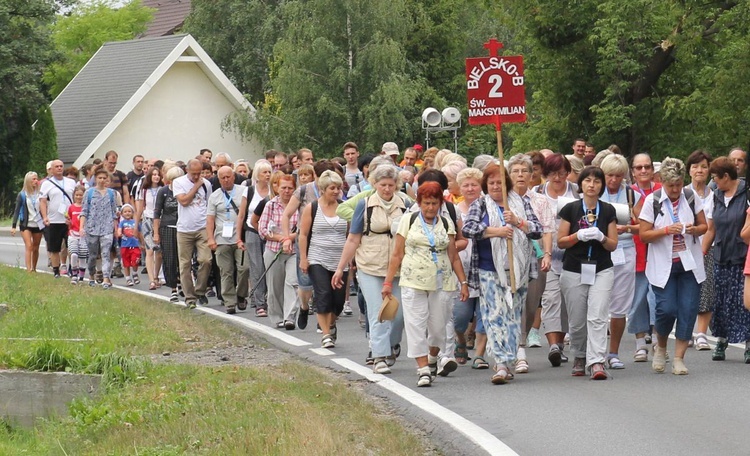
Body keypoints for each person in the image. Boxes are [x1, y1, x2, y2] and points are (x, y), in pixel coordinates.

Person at [463, 163, 543, 383]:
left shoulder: (520, 203)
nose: (496, 186)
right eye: (491, 183)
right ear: (485, 185)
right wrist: (495, 231)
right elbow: (468, 229)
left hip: (517, 270)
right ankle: (500, 364)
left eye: (499, 182)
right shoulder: (480, 204)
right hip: (489, 269)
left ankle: (508, 359)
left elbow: (537, 230)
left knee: (513, 316)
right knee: (494, 315)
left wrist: (517, 222)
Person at [383, 182, 469, 387]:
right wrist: (388, 282)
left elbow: (454, 256)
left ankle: (432, 358)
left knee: (439, 328)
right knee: (415, 325)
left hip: (442, 280)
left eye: (434, 203)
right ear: (419, 203)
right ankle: (422, 369)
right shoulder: (408, 220)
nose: (430, 208)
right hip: (413, 280)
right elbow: (397, 254)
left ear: (440, 203)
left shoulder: (447, 223)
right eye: (426, 203)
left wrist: (463, 282)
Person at [333, 162, 407, 372]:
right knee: (378, 311)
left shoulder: (406, 204)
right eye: (382, 184)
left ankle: (391, 344)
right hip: (370, 265)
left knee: (399, 313)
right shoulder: (364, 205)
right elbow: (353, 239)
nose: (386, 189)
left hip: (399, 266)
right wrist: (341, 268)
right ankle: (379, 356)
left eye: (391, 185)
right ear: (374, 184)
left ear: (396, 185)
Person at [639, 157, 707, 374]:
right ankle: (660, 347)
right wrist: (666, 230)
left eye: (678, 184)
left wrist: (694, 229)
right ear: (662, 182)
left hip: (689, 264)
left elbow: (704, 225)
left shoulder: (690, 196)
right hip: (663, 266)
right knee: (666, 310)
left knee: (688, 310)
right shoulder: (653, 201)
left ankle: (679, 358)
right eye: (671, 186)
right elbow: (644, 235)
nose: (676, 189)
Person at [557, 166, 618, 380]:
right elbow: (561, 241)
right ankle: (580, 355)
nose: (592, 185)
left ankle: (597, 361)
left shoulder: (608, 210)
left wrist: (601, 237)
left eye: (597, 181)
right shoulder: (571, 209)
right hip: (574, 267)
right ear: (581, 184)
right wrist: (578, 236)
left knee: (598, 315)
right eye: (588, 180)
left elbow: (613, 245)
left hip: (601, 267)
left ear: (602, 186)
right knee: (577, 319)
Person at [508, 154, 555, 374]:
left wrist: (547, 254)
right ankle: (518, 350)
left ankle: (522, 338)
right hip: (509, 257)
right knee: (514, 303)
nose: (520, 175)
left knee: (531, 304)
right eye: (515, 171)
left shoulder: (540, 201)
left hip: (535, 257)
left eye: (524, 171)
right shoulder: (503, 200)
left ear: (531, 174)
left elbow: (546, 230)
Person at [534, 153, 578, 367]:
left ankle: (560, 344)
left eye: (562, 173)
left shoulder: (577, 192)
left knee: (568, 300)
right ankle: (553, 345)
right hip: (546, 254)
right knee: (551, 298)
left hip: (573, 253)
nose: (558, 178)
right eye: (553, 173)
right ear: (546, 174)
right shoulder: (537, 193)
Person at [704, 157, 750, 362]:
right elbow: (710, 229)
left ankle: (748, 344)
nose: (713, 181)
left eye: (715, 177)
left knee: (744, 302)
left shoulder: (746, 193)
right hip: (721, 256)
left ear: (725, 176)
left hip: (742, 257)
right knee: (721, 301)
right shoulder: (715, 196)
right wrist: (702, 254)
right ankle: (721, 341)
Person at [599, 154, 642, 369]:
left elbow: (644, 226)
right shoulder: (594, 192)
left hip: (624, 251)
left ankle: (613, 352)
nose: (614, 180)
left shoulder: (631, 195)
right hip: (598, 252)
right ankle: (594, 351)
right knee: (595, 303)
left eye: (618, 176)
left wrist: (628, 228)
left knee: (619, 306)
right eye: (609, 176)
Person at [298, 171, 349, 346]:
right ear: (322, 190)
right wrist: (304, 258)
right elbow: (303, 235)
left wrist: (353, 258)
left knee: (338, 301)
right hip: (317, 257)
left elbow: (351, 235)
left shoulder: (345, 207)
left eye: (338, 188)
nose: (336, 191)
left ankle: (331, 323)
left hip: (340, 260)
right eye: (332, 188)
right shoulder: (312, 208)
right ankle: (325, 333)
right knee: (323, 294)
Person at [628, 153, 662, 361]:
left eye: (646, 167)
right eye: (638, 168)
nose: (643, 171)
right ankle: (640, 342)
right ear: (632, 171)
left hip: (659, 251)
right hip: (635, 252)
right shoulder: (628, 193)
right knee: (638, 299)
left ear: (652, 170)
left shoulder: (661, 191)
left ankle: (659, 340)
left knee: (658, 298)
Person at [259, 174, 300, 329]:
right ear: (277, 188)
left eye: (290, 188)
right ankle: (277, 317)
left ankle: (289, 317)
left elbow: (303, 229)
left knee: (292, 282)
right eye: (284, 187)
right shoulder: (270, 205)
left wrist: (289, 238)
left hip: (294, 250)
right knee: (274, 286)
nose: (287, 191)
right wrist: (282, 239)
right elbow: (262, 229)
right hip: (273, 249)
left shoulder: (299, 205)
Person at [452, 168, 484, 367]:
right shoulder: (454, 210)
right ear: (459, 187)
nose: (470, 188)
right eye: (466, 185)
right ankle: (461, 339)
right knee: (460, 316)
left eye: (474, 184)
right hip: (460, 268)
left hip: (485, 266)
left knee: (484, 314)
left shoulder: (487, 207)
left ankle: (480, 354)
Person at [207, 166, 249, 314]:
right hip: (222, 239)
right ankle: (229, 301)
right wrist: (211, 238)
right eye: (222, 177)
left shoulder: (243, 191)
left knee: (244, 268)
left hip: (240, 238)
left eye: (228, 177)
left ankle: (241, 295)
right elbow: (210, 219)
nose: (226, 180)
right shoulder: (214, 196)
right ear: (219, 179)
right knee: (226, 271)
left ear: (233, 177)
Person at [173, 159, 213, 309]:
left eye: (199, 174)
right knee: (185, 264)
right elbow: (183, 201)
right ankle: (190, 297)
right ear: (187, 171)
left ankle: (200, 290)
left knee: (206, 260)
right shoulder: (179, 182)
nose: (197, 177)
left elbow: (208, 204)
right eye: (194, 174)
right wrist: (196, 186)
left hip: (202, 227)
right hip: (184, 229)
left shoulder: (207, 185)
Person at [685, 150, 715, 351]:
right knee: (686, 291)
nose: (699, 170)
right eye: (695, 166)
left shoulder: (716, 194)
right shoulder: (683, 192)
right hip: (685, 247)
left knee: (707, 291)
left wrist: (704, 250)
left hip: (711, 247)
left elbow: (713, 226)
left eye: (704, 166)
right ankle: (685, 332)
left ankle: (701, 334)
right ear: (689, 170)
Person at [236, 160, 274, 317]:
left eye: (269, 172)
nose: (267, 175)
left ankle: (271, 299)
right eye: (264, 172)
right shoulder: (249, 191)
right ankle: (260, 303)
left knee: (270, 266)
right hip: (252, 231)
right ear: (257, 175)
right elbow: (241, 215)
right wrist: (239, 238)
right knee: (257, 267)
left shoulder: (274, 190)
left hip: (271, 233)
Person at [80, 166, 119, 289]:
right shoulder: (89, 192)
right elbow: (84, 211)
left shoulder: (112, 193)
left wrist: (116, 228)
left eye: (104, 178)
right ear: (95, 179)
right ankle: (91, 275)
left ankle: (106, 278)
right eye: (99, 178)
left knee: (106, 253)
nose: (102, 180)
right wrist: (81, 227)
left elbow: (114, 212)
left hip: (107, 228)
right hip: (92, 228)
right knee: (92, 255)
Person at [39, 159, 76, 278]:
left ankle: (71, 268)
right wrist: (45, 217)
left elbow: (76, 199)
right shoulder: (47, 184)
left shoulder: (71, 182)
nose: (59, 168)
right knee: (54, 247)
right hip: (54, 220)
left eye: (61, 166)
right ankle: (56, 270)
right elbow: (43, 201)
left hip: (69, 220)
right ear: (52, 169)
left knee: (71, 246)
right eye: (57, 167)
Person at [153, 166, 184, 303]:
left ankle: (182, 282)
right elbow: (157, 212)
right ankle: (173, 288)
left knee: (183, 258)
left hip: (183, 227)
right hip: (167, 227)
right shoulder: (164, 191)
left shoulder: (185, 191)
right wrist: (156, 232)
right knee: (170, 258)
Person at [136, 167, 164, 289]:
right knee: (149, 250)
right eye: (153, 175)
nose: (156, 177)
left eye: (158, 174)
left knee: (159, 251)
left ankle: (157, 276)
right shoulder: (144, 190)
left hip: (160, 220)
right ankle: (151, 279)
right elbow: (140, 207)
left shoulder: (162, 189)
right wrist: (136, 224)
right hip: (148, 219)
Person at [11, 171, 45, 273]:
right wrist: (13, 226)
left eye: (36, 179)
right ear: (28, 181)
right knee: (29, 245)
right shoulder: (22, 195)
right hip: (26, 223)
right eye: (33, 179)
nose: (36, 181)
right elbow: (17, 211)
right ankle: (28, 269)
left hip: (38, 223)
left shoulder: (41, 193)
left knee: (36, 247)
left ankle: (34, 268)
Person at [66, 186, 88, 284]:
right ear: (74, 196)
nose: (79, 197)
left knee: (83, 256)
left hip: (83, 234)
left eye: (81, 195)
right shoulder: (71, 207)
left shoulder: (86, 207)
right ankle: (74, 275)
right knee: (74, 254)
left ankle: (81, 277)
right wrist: (68, 222)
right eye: (77, 195)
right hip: (73, 233)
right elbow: (70, 220)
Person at [118, 204, 141, 286]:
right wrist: (119, 233)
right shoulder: (122, 223)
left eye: (129, 211)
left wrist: (142, 244)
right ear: (122, 214)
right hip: (125, 246)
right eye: (125, 212)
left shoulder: (135, 222)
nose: (127, 213)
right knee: (126, 263)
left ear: (132, 213)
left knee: (135, 260)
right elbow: (119, 230)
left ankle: (134, 273)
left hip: (135, 245)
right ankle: (128, 278)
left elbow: (139, 233)